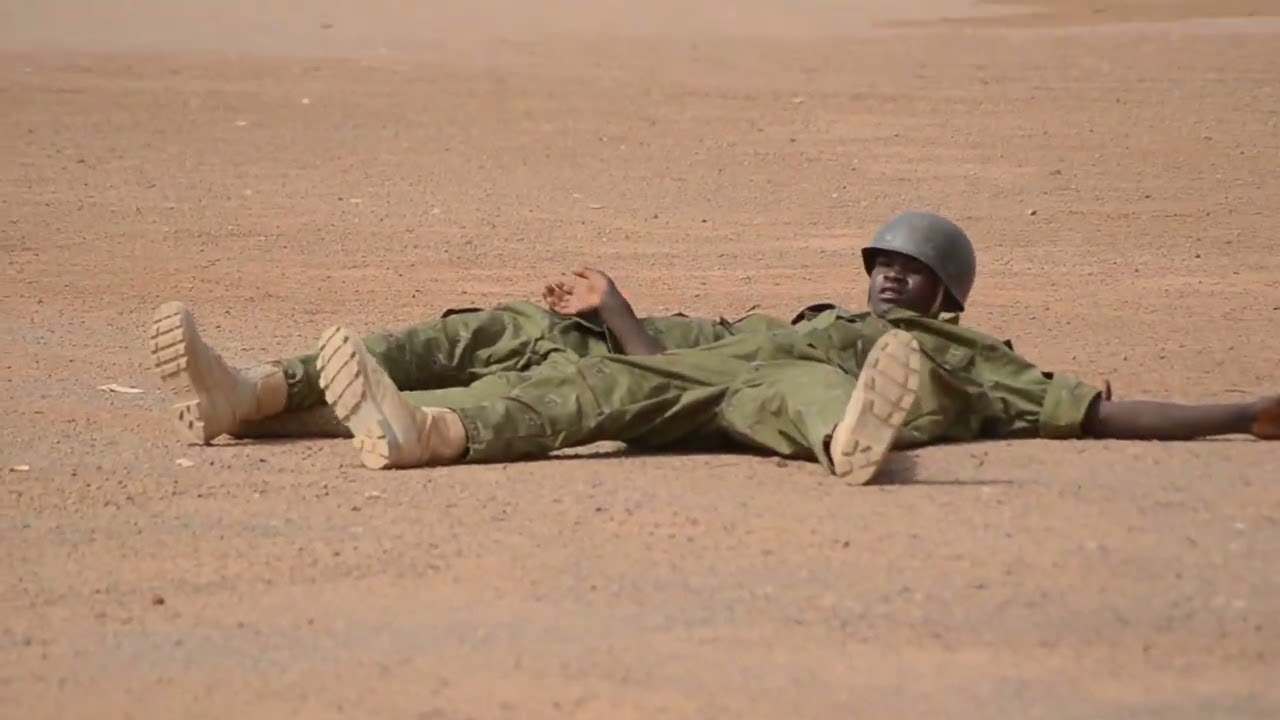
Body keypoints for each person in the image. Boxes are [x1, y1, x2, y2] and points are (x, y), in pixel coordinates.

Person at [309, 211, 1279, 484]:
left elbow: (1100, 414)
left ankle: (853, 434)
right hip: (739, 386)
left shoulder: (985, 359)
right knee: (599, 376)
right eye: (882, 265)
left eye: (912, 272)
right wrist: (615, 306)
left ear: (946, 297)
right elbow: (661, 367)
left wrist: (1244, 410)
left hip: (806, 397)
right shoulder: (813, 325)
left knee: (800, 384)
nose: (890, 277)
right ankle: (308, 403)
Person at [149, 283, 817, 444]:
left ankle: (244, 408)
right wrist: (591, 306)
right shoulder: (771, 330)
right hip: (573, 335)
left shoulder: (780, 356)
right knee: (448, 340)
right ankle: (255, 386)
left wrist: (616, 309)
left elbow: (670, 378)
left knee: (449, 396)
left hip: (612, 368)